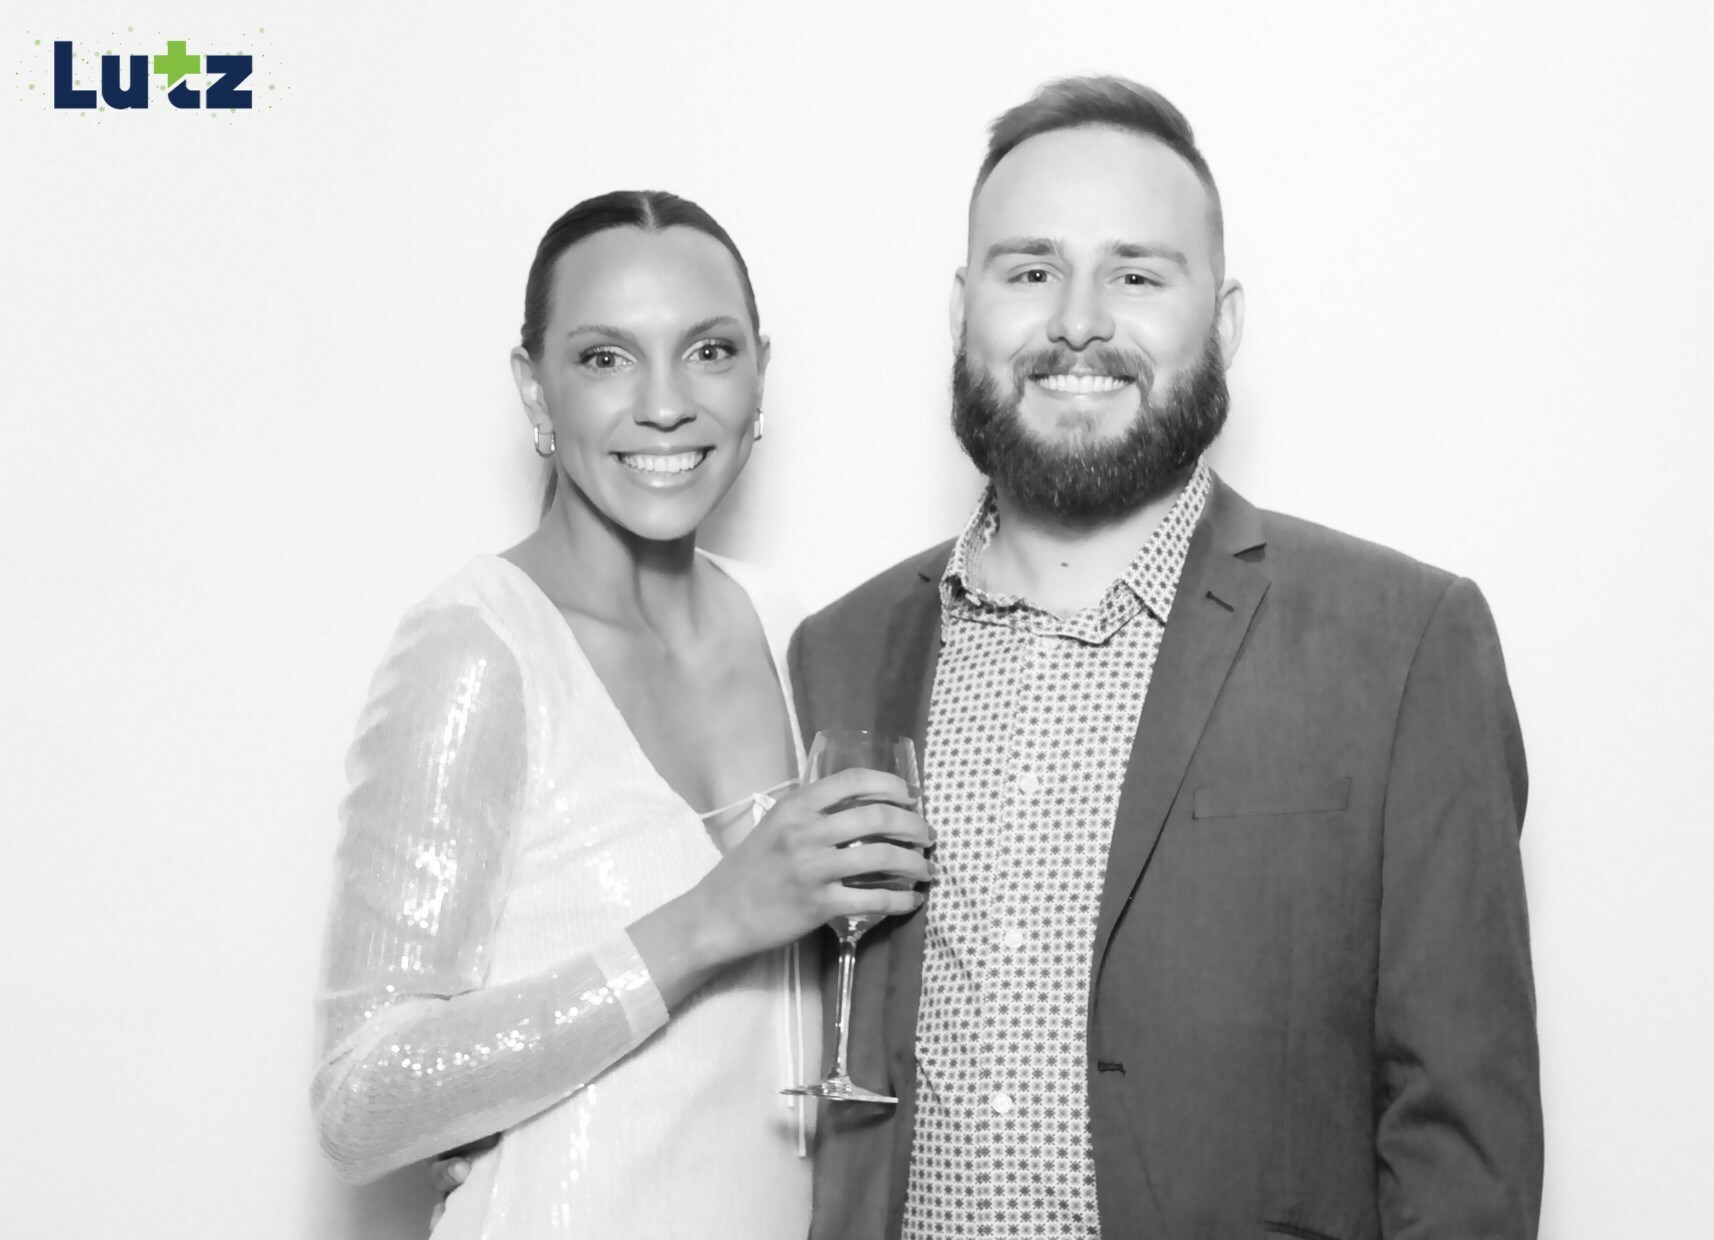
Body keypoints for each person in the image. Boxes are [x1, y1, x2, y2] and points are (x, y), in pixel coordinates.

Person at [789, 77, 1543, 1239]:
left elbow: (1462, 1143)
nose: (1076, 322)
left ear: (1222, 323)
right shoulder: (836, 652)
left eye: (1135, 275)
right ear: (960, 308)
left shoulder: (1400, 643)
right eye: (1028, 271)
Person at [310, 189, 933, 1238]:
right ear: (534, 389)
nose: (664, 404)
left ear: (759, 374)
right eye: (605, 358)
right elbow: (359, 1105)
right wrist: (708, 920)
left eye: (709, 351)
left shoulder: (792, 628)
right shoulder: (478, 647)